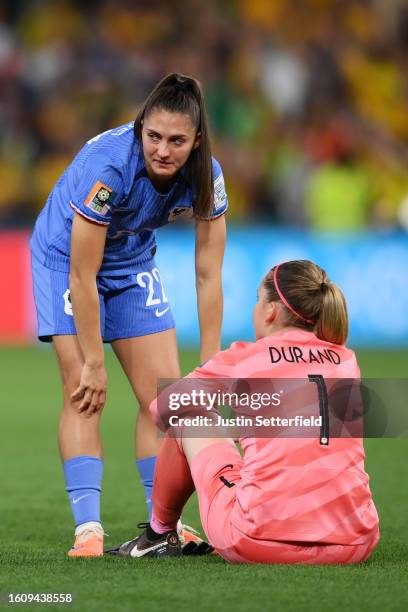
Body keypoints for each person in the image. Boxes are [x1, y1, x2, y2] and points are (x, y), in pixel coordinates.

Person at [30, 73, 227, 557]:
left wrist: (210, 362)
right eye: (153, 136)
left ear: (197, 141)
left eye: (177, 140)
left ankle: (162, 528)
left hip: (132, 258)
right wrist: (94, 361)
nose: (162, 150)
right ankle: (88, 531)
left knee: (165, 400)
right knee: (84, 393)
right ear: (141, 127)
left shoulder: (209, 176)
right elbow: (82, 274)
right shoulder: (109, 167)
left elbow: (208, 274)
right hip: (65, 261)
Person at [113, 260, 380, 564]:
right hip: (354, 543)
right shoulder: (346, 359)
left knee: (188, 420)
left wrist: (233, 426)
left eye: (258, 299)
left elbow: (162, 409)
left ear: (271, 311)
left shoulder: (243, 357)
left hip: (257, 541)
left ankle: (158, 534)